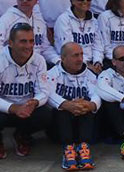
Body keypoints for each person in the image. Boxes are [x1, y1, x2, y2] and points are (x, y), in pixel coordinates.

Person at [0, 23, 51, 158]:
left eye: (31, 41)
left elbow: (44, 91)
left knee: (46, 115)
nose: (29, 46)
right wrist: (13, 108)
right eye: (23, 41)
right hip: (3, 109)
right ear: (11, 43)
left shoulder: (39, 60)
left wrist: (35, 102)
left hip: (26, 108)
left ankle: (22, 135)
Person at [47, 42, 100, 170]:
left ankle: (83, 147)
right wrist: (67, 104)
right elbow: (47, 95)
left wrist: (90, 105)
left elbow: (96, 94)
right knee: (62, 104)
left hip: (82, 125)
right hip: (58, 127)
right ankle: (68, 150)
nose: (80, 59)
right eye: (75, 55)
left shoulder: (89, 74)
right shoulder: (52, 74)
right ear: (63, 58)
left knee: (86, 102)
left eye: (81, 55)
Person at [0, 0, 60, 65]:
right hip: (14, 67)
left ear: (36, 1)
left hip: (36, 67)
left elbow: (45, 48)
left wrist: (57, 60)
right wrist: (8, 62)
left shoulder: (39, 20)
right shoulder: (8, 18)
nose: (24, 1)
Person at [54, 0, 104, 74]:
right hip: (72, 63)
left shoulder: (94, 21)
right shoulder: (63, 20)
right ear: (72, 1)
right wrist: (87, 65)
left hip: (91, 63)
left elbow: (98, 45)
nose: (85, 1)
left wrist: (97, 62)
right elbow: (68, 49)